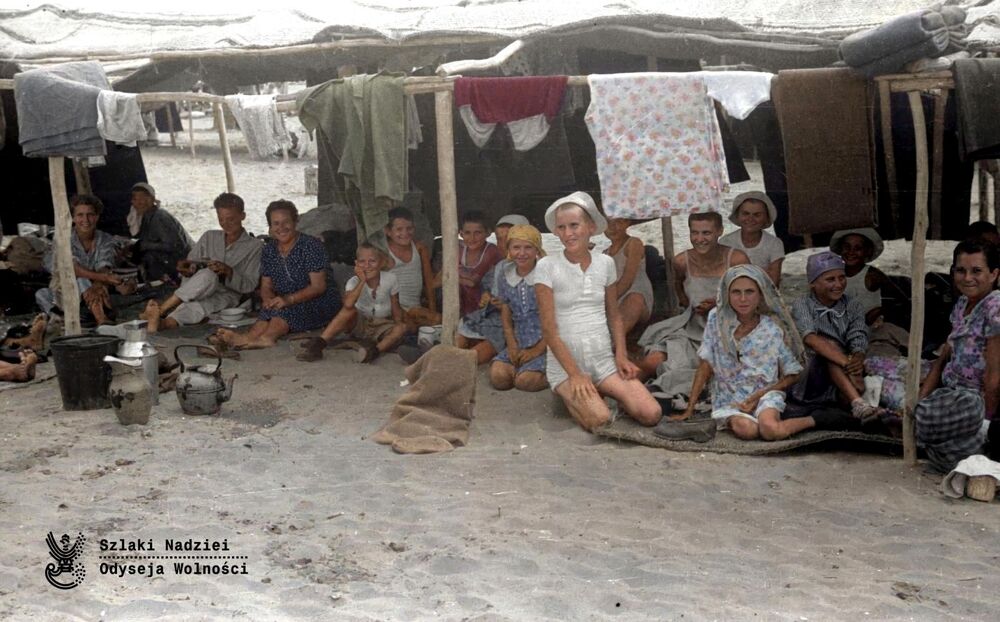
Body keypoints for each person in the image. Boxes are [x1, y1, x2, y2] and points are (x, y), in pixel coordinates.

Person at [533, 191, 661, 431]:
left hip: (602, 361)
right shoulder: (547, 267)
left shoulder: (605, 263)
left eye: (574, 225)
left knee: (651, 413)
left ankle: (597, 389)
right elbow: (549, 331)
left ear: (590, 227)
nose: (568, 233)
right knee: (601, 420)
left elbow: (614, 315)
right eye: (561, 227)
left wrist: (621, 355)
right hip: (566, 366)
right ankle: (570, 393)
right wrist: (575, 374)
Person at [679, 265, 808, 440]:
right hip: (730, 397)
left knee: (770, 430)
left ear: (760, 294)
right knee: (747, 430)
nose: (742, 299)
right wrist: (690, 408)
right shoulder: (717, 319)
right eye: (736, 292)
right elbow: (705, 363)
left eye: (749, 292)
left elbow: (794, 374)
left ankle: (817, 420)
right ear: (726, 293)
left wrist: (759, 396)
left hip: (764, 394)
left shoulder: (772, 327)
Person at [636, 212, 750, 395]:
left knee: (721, 372)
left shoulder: (736, 259)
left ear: (720, 231)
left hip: (730, 331)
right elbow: (679, 289)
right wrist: (691, 305)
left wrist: (719, 304)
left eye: (706, 233)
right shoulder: (682, 261)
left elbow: (753, 297)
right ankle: (628, 394)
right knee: (653, 360)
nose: (699, 239)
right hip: (693, 328)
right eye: (694, 233)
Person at [916, 240, 1000, 471]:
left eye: (977, 271)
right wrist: (922, 399)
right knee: (905, 392)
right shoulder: (962, 304)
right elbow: (944, 357)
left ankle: (931, 434)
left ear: (994, 274)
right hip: (949, 394)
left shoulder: (995, 306)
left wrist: (986, 423)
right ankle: (930, 432)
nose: (967, 278)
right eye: (961, 271)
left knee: (969, 409)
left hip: (974, 400)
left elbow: (994, 376)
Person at [213, 200, 339, 349]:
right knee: (269, 310)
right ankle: (247, 337)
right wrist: (267, 299)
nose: (281, 228)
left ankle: (267, 338)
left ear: (295, 221)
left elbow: (318, 287)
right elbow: (266, 285)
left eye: (286, 222)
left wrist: (289, 299)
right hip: (284, 301)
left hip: (319, 302)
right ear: (270, 227)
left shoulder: (310, 246)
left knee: (285, 311)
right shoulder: (270, 250)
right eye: (276, 224)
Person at [141, 192, 263, 332]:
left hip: (227, 293)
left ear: (243, 216)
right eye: (221, 219)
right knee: (208, 275)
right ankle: (162, 310)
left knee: (200, 307)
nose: (225, 224)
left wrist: (228, 271)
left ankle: (162, 322)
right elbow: (190, 263)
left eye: (231, 219)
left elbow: (250, 285)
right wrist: (187, 267)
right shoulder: (209, 236)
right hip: (196, 286)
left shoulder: (255, 246)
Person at [789, 251, 881, 422]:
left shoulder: (852, 305)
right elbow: (810, 338)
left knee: (855, 385)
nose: (838, 284)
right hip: (810, 372)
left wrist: (858, 358)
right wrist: (847, 363)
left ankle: (853, 402)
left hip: (840, 372)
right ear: (813, 284)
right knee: (827, 345)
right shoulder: (802, 304)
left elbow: (858, 334)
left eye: (842, 277)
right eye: (830, 279)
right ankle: (858, 404)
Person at [297, 243, 407, 364]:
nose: (367, 266)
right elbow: (348, 304)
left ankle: (373, 352)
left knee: (401, 327)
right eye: (362, 262)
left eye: (372, 261)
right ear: (356, 264)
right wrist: (362, 281)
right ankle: (318, 345)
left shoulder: (391, 279)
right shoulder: (353, 282)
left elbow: (395, 307)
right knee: (348, 310)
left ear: (381, 263)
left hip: (382, 324)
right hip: (360, 324)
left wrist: (398, 326)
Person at [35, 194, 128, 325]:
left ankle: (100, 318)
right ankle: (62, 318)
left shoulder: (105, 239)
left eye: (90, 214)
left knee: (83, 280)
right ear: (73, 218)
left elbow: (104, 265)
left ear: (97, 217)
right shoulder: (62, 239)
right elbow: (71, 268)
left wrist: (98, 283)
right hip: (67, 293)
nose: (86, 219)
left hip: (97, 291)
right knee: (42, 294)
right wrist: (105, 278)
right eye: (80, 215)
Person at [489, 224, 548, 392]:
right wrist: (512, 344)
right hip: (519, 341)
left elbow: (557, 318)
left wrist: (538, 349)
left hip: (546, 343)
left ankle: (552, 373)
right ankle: (522, 369)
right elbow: (506, 312)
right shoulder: (505, 273)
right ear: (509, 249)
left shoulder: (546, 273)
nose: (522, 253)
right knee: (499, 378)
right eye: (516, 247)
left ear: (537, 249)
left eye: (528, 247)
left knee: (525, 382)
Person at [384, 207, 439, 329]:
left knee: (437, 319)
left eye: (409, 228)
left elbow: (429, 283)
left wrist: (432, 310)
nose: (405, 233)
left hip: (414, 307)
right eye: (399, 229)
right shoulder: (383, 252)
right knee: (409, 325)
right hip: (393, 307)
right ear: (388, 231)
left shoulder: (420, 248)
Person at [129, 182, 193, 282]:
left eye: (145, 198)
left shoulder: (159, 217)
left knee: (148, 257)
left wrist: (145, 245)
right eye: (136, 199)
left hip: (183, 262)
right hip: (172, 260)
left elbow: (174, 246)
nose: (141, 202)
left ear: (153, 199)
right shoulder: (146, 216)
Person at [719, 191, 785, 287]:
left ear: (766, 218)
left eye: (757, 215)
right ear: (738, 215)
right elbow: (721, 277)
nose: (750, 219)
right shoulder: (726, 242)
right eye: (745, 214)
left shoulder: (774, 244)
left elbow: (773, 282)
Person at [830, 228, 894, 326]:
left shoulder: (872, 275)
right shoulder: (836, 274)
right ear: (840, 248)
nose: (851, 252)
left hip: (872, 328)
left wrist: (877, 312)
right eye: (847, 247)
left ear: (867, 251)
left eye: (858, 248)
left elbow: (898, 299)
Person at [604, 217, 654, 337]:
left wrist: (607, 302)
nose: (612, 227)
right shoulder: (604, 254)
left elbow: (627, 280)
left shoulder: (633, 243)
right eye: (608, 223)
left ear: (628, 222)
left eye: (618, 222)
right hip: (615, 300)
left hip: (637, 296)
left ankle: (613, 342)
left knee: (634, 299)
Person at [456, 210, 502, 316]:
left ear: (488, 233)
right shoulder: (458, 250)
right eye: (467, 233)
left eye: (478, 233)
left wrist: (456, 277)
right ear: (461, 233)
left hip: (483, 307)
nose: (472, 238)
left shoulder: (492, 252)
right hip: (459, 305)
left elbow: (473, 282)